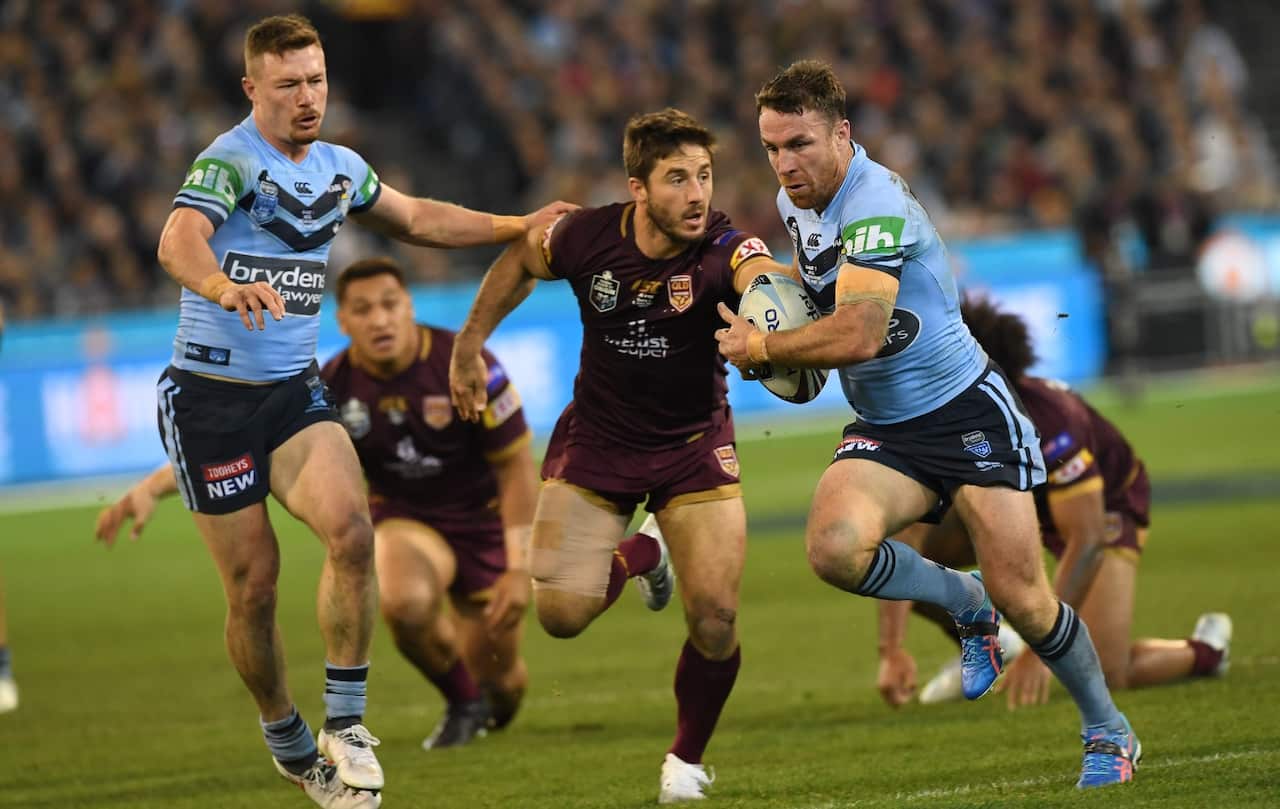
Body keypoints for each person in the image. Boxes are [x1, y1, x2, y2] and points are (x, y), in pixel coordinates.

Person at [145, 13, 570, 808]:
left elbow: (417, 218)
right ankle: (288, 738)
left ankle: (346, 723)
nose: (307, 98)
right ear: (252, 89)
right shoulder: (231, 160)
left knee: (352, 531)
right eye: (288, 85)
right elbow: (177, 240)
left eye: (316, 81)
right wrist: (220, 286)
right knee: (255, 586)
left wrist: (519, 224)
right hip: (209, 402)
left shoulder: (340, 167)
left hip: (292, 394)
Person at [715, 60, 1140, 789]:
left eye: (801, 144)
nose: (785, 164)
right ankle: (964, 602)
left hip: (965, 408)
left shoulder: (874, 201)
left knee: (1028, 599)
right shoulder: (800, 201)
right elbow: (815, 286)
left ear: (842, 133)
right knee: (833, 548)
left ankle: (1110, 731)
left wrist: (764, 346)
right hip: (887, 423)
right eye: (772, 148)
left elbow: (860, 333)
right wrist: (764, 291)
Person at [449, 108, 784, 803]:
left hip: (692, 446)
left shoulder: (724, 247)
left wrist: (773, 320)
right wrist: (468, 341)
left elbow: (762, 276)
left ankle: (685, 760)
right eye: (676, 179)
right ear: (638, 188)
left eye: (704, 176)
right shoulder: (582, 237)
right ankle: (646, 552)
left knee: (716, 618)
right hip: (598, 441)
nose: (697, 194)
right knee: (561, 616)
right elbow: (518, 259)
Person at [96, 256, 540, 752]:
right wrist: (152, 487)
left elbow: (517, 467)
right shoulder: (332, 384)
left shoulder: (462, 363)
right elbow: (250, 449)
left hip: (483, 524)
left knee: (505, 685)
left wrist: (520, 567)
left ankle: (484, 699)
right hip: (406, 521)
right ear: (342, 320)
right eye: (363, 310)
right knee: (403, 601)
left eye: (390, 305)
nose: (379, 319)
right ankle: (462, 703)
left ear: (409, 307)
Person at [876, 297, 1232, 708]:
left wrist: (1044, 651)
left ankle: (1207, 651)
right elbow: (906, 538)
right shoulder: (942, 417)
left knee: (1110, 672)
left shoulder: (1052, 423)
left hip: (1104, 505)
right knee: (898, 563)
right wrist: (892, 650)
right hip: (1021, 497)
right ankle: (987, 641)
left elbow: (1087, 540)